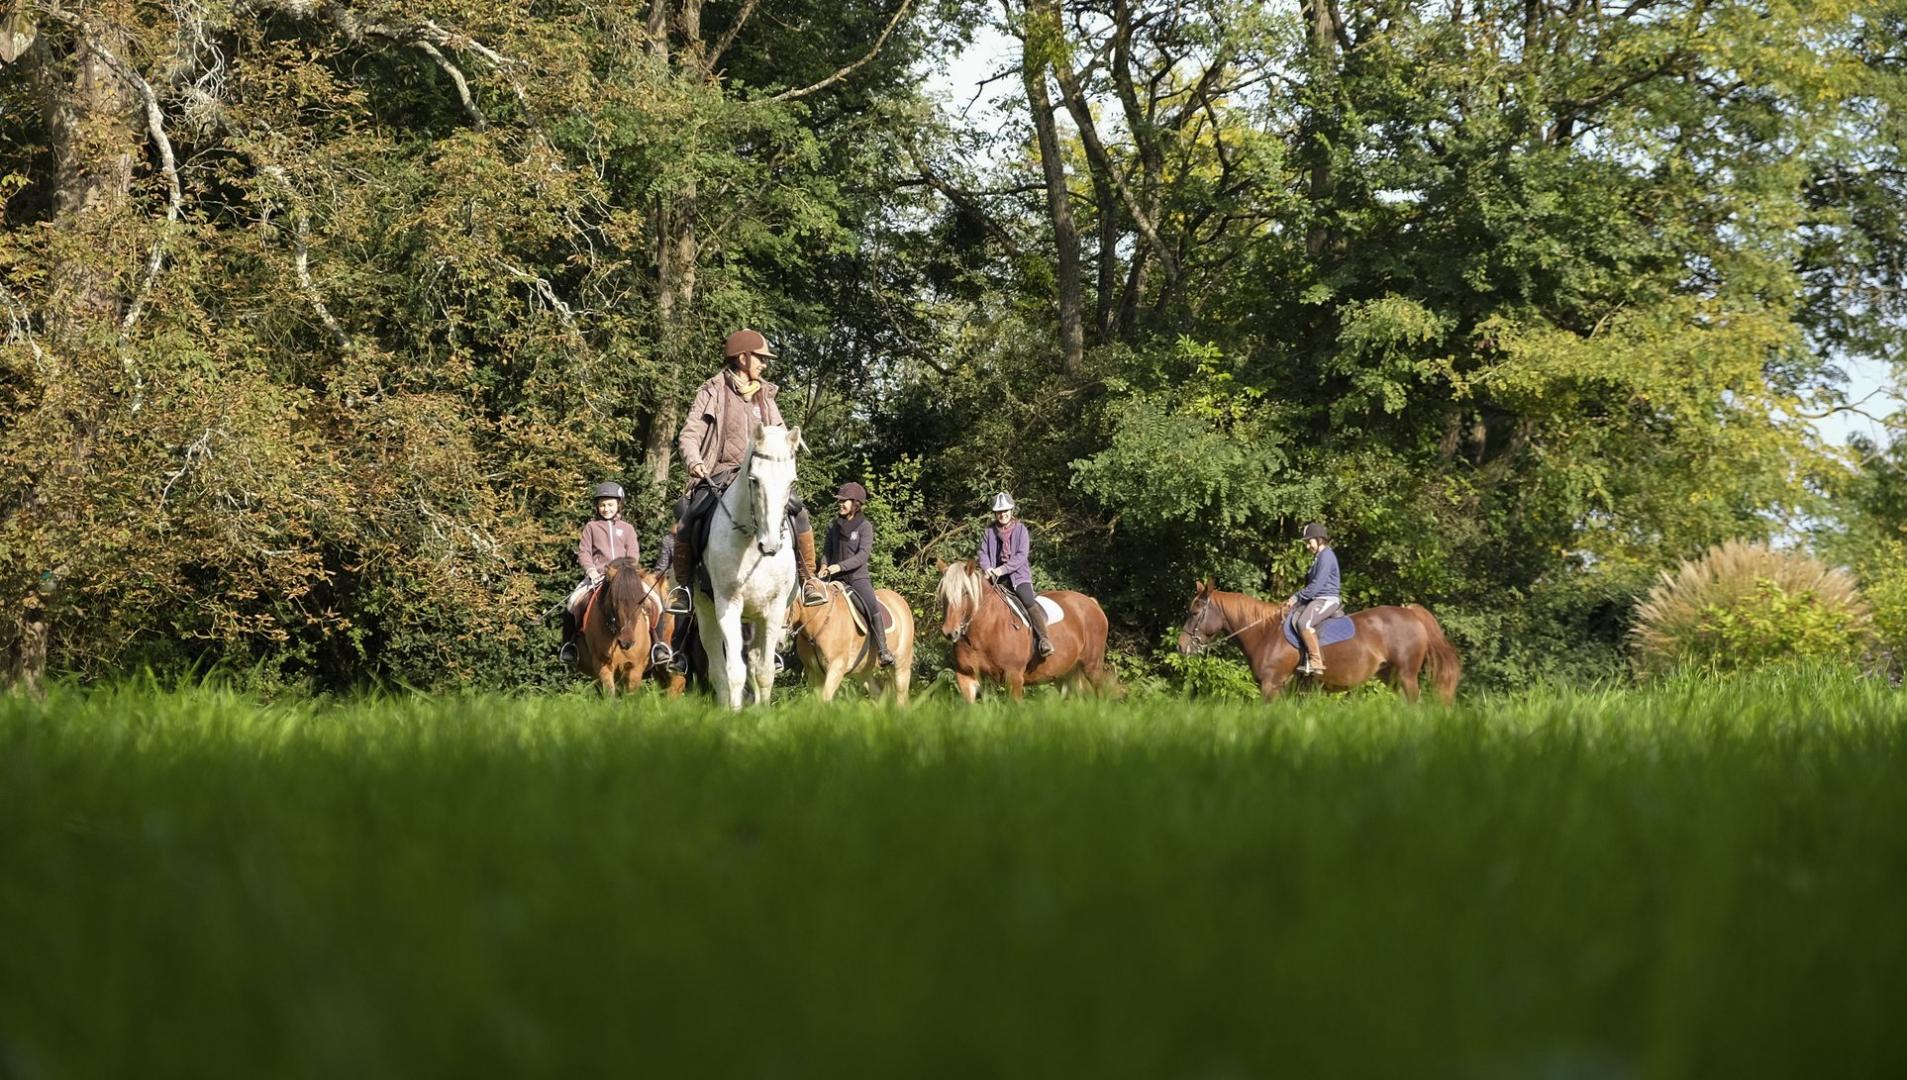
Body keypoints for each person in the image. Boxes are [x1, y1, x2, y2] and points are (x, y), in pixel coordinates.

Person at [673, 328, 825, 607]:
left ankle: (809, 580)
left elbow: (780, 434)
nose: (764, 364)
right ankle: (683, 589)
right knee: (687, 515)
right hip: (718, 474)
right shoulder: (712, 391)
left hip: (761, 475)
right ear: (742, 358)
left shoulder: (764, 396)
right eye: (760, 358)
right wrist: (694, 460)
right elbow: (689, 434)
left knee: (799, 512)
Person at [562, 481, 645, 665]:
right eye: (602, 505)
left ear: (619, 505)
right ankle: (569, 645)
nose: (606, 508)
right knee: (572, 602)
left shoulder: (628, 528)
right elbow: (584, 552)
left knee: (653, 601)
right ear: (597, 507)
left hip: (624, 578)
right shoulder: (591, 527)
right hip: (598, 577)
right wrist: (591, 571)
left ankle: (658, 644)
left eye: (610, 504)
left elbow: (633, 553)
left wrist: (627, 572)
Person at [817, 481, 892, 666]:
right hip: (834, 579)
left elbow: (862, 556)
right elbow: (827, 551)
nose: (840, 503)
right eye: (839, 500)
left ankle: (883, 650)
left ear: (856, 503)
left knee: (872, 606)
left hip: (857, 579)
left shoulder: (864, 527)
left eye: (845, 500)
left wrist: (839, 567)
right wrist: (824, 565)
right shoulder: (833, 526)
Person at [978, 492, 1051, 657]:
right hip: (994, 578)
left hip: (1018, 577)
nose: (1002, 514)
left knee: (1028, 600)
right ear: (995, 514)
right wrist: (987, 568)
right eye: (999, 512)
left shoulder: (1021, 530)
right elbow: (983, 553)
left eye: (1005, 511)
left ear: (1011, 511)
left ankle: (1044, 639)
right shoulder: (989, 531)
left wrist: (1001, 570)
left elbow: (1020, 556)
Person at [1285, 522, 1342, 675]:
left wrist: (1297, 596)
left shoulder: (1327, 556)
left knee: (1304, 622)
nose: (1307, 546)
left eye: (1309, 542)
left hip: (1327, 599)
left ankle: (1316, 662)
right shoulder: (1319, 557)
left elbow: (1316, 586)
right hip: (1317, 598)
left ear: (1320, 540)